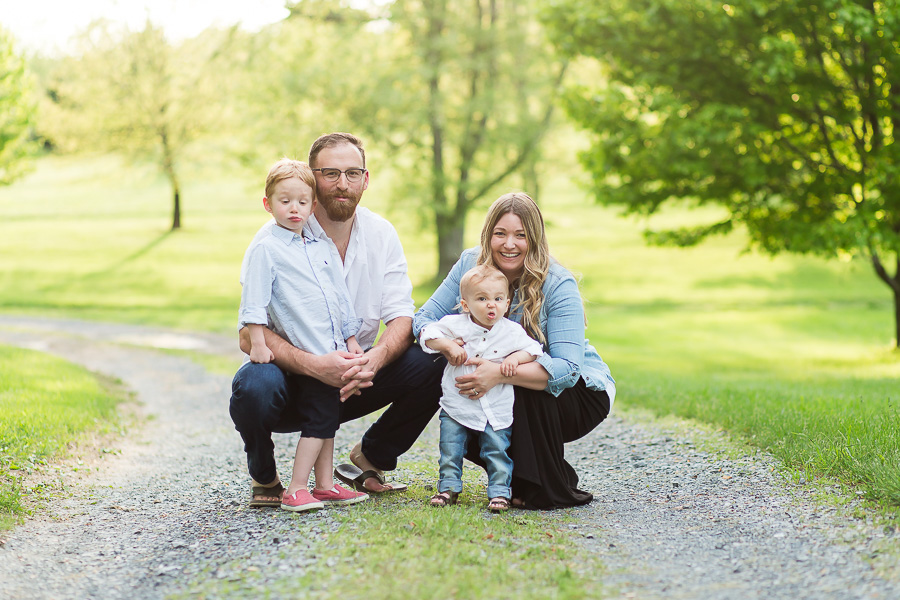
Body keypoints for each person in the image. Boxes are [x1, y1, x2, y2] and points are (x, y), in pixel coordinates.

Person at [230, 133, 444, 508]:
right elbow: (250, 336)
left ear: (366, 178)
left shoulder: (381, 234)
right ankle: (265, 476)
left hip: (354, 373)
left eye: (352, 173)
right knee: (253, 385)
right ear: (312, 180)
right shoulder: (273, 240)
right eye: (330, 173)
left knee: (433, 358)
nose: (342, 184)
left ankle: (371, 457)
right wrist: (314, 366)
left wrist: (371, 361)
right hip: (292, 378)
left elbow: (402, 316)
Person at [414, 192, 617, 510]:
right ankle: (524, 476)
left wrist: (496, 373)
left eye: (520, 235)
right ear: (488, 235)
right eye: (501, 233)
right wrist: (448, 345)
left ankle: (542, 482)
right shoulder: (471, 265)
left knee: (515, 385)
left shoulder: (557, 283)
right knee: (442, 372)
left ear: (534, 239)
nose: (509, 244)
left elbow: (567, 370)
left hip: (577, 395)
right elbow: (424, 319)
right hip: (506, 381)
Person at [238, 158, 369, 512]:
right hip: (308, 353)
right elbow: (253, 300)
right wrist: (260, 344)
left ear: (313, 205)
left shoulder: (319, 246)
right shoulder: (267, 248)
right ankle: (296, 488)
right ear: (268, 204)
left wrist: (351, 338)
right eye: (284, 201)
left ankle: (325, 485)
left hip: (334, 349)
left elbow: (339, 298)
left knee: (328, 420)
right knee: (319, 422)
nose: (293, 209)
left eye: (301, 202)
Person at [421, 264, 543, 512]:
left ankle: (499, 492)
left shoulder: (512, 331)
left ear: (507, 303)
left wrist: (515, 359)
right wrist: (447, 345)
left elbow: (534, 350)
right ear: (466, 305)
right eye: (482, 298)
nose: (491, 305)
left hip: (495, 407)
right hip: (457, 404)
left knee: (497, 450)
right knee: (450, 448)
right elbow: (426, 333)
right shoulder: (456, 324)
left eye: (498, 299)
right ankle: (448, 488)